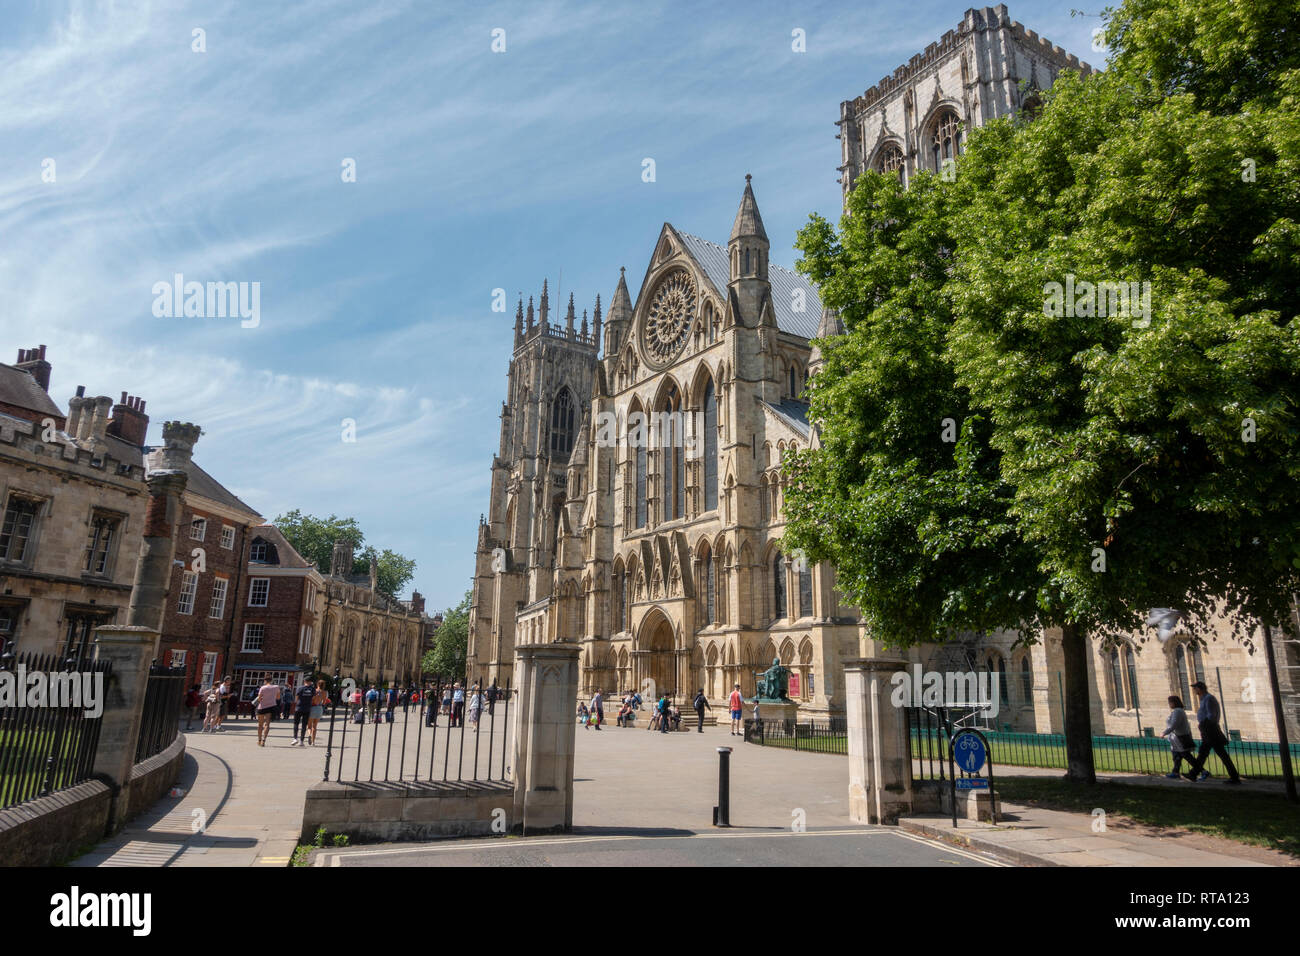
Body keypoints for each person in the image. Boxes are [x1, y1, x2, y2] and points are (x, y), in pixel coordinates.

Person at [1183, 680, 1242, 784]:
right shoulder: (1204, 699)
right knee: (1204, 753)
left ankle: (1234, 777)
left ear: (1200, 689)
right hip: (1208, 729)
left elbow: (1212, 714)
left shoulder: (1209, 699)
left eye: (1195, 688)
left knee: (1218, 754)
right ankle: (1193, 773)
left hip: (1210, 730)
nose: (1194, 690)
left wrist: (1204, 724)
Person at [1163, 695, 1196, 778]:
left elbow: (1174, 724)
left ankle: (1202, 771)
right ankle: (1175, 772)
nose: (1169, 704)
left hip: (1179, 738)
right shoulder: (1177, 711)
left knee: (1186, 755)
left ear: (1174, 702)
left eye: (1170, 702)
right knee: (1177, 756)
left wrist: (1164, 733)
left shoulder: (1178, 711)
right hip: (1175, 739)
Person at [254, 677, 280, 746]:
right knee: (267, 724)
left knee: (260, 725)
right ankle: (264, 740)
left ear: (265, 681)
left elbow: (259, 699)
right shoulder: (276, 687)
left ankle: (259, 740)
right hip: (271, 707)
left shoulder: (262, 688)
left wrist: (262, 698)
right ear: (271, 681)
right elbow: (278, 698)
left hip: (262, 707)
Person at [291, 680, 315, 746]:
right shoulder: (312, 689)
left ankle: (295, 738)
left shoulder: (300, 688)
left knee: (296, 723)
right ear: (310, 682)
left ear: (304, 681)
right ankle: (301, 741)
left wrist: (296, 704)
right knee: (304, 725)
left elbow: (296, 697)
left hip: (299, 708)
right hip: (307, 708)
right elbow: (313, 698)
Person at [308, 681, 329, 745]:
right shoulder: (325, 692)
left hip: (312, 707)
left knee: (309, 726)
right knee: (315, 726)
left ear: (317, 684)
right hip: (319, 708)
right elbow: (324, 702)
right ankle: (313, 741)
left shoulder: (314, 690)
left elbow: (311, 699)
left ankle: (309, 735)